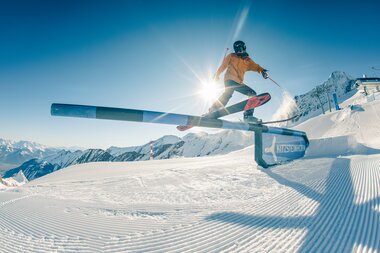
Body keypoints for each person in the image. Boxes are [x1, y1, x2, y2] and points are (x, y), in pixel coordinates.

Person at [211, 40, 269, 122]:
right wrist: (217, 74)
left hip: (238, 82)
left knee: (252, 94)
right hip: (230, 79)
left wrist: (262, 71)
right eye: (237, 50)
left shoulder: (248, 61)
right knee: (228, 93)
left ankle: (248, 116)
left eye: (241, 49)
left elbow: (256, 67)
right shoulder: (232, 56)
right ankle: (214, 108)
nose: (239, 51)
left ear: (244, 48)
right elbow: (223, 65)